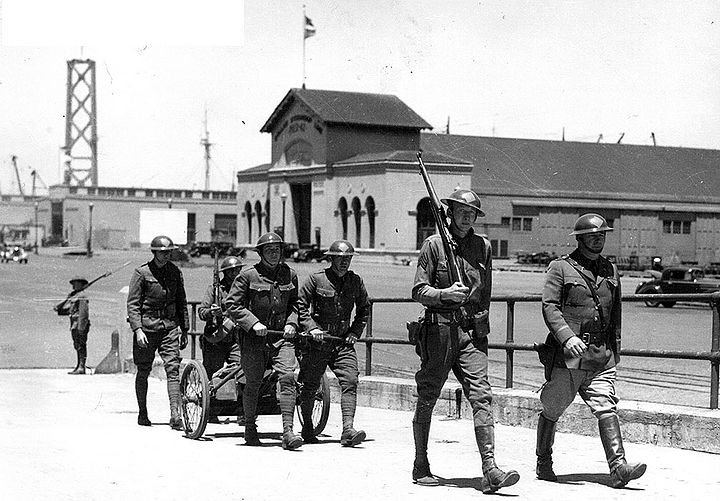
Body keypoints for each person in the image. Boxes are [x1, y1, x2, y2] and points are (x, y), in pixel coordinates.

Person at [411, 189, 519, 493]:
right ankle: (421, 463)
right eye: (461, 210)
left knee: (482, 395)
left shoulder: (482, 246)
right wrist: (443, 295)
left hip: (470, 335)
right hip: (440, 332)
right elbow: (418, 290)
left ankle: (490, 468)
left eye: (472, 212)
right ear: (450, 212)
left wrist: (480, 327)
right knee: (429, 394)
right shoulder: (433, 246)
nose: (467, 216)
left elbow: (485, 293)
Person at [536, 213, 646, 488]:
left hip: (600, 355)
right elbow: (550, 307)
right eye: (593, 235)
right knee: (553, 407)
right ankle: (543, 461)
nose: (599, 238)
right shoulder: (560, 268)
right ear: (580, 238)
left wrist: (615, 351)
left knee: (606, 406)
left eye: (603, 234)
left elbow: (615, 313)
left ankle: (618, 467)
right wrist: (566, 337)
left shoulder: (611, 270)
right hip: (569, 355)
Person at [226, 232, 302, 450]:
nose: (274, 253)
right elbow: (232, 305)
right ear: (260, 253)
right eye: (269, 250)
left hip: (280, 337)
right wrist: (252, 323)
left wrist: (292, 323)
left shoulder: (290, 274)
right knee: (253, 382)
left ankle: (288, 432)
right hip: (254, 339)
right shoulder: (248, 276)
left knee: (288, 376)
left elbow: (296, 304)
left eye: (277, 249)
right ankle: (250, 427)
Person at [297, 239, 370, 447]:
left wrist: (355, 332)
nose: (344, 263)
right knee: (310, 385)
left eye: (347, 259)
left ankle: (348, 430)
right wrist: (312, 328)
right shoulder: (316, 279)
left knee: (350, 381)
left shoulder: (355, 281)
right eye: (340, 259)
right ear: (331, 259)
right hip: (318, 342)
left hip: (342, 342)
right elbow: (300, 306)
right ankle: (308, 426)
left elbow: (364, 308)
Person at [126, 235, 189, 429]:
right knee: (143, 370)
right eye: (163, 252)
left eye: (169, 252)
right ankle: (143, 412)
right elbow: (133, 304)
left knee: (173, 369)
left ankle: (175, 414)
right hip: (147, 328)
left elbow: (181, 302)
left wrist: (185, 329)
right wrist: (137, 330)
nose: (167, 255)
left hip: (169, 327)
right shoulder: (141, 273)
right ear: (154, 253)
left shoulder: (175, 272)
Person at [197, 255, 243, 423]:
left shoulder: (244, 289)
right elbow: (201, 312)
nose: (235, 273)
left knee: (240, 369)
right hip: (215, 338)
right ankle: (210, 408)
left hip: (236, 338)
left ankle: (242, 410)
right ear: (225, 273)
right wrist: (211, 312)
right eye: (231, 271)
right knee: (211, 371)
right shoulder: (214, 290)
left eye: (238, 270)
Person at [55, 276, 91, 375]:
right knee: (77, 345)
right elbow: (68, 310)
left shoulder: (82, 296)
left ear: (81, 284)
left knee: (81, 346)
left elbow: (83, 313)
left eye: (75, 283)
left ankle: (81, 367)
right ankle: (78, 366)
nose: (73, 285)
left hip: (80, 324)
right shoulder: (74, 295)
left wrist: (81, 327)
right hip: (74, 324)